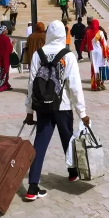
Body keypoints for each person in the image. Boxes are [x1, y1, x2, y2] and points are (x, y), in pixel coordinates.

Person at [24, 20, 90, 200]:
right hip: (63, 106)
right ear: (63, 35)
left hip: (42, 107)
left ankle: (32, 187)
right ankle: (72, 172)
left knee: (40, 144)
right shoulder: (68, 55)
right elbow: (75, 86)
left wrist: (29, 109)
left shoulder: (38, 54)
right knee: (67, 139)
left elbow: (31, 83)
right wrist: (82, 113)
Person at [80, 19, 109, 91]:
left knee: (94, 68)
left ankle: (94, 85)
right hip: (100, 52)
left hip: (92, 52)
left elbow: (84, 41)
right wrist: (107, 54)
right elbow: (104, 44)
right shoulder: (100, 33)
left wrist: (81, 49)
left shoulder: (88, 32)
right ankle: (100, 84)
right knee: (101, 67)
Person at [0, 25, 16, 92]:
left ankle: (1, 85)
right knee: (4, 74)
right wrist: (12, 44)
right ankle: (1, 87)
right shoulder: (6, 39)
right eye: (6, 30)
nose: (7, 31)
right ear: (3, 31)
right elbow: (9, 50)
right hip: (4, 59)